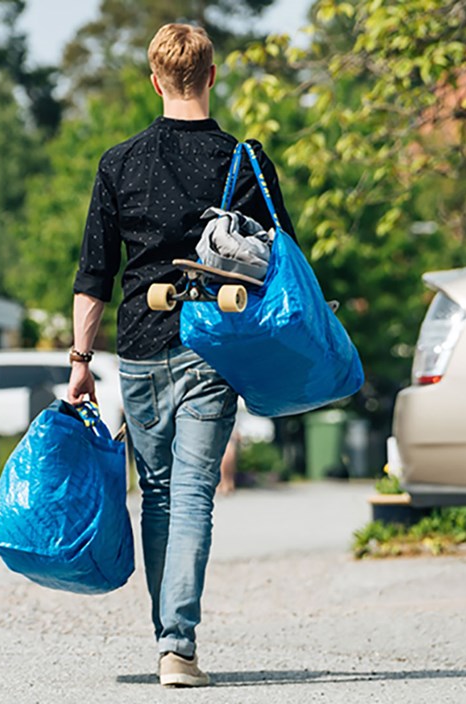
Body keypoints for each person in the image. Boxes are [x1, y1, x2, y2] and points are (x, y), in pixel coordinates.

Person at [66, 23, 296, 688]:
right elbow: (280, 261)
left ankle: (169, 636)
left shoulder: (120, 162)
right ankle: (178, 645)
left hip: (138, 349)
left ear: (154, 78)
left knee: (160, 493)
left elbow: (93, 276)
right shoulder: (244, 162)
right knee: (193, 493)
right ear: (212, 76)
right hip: (211, 344)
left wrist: (82, 361)